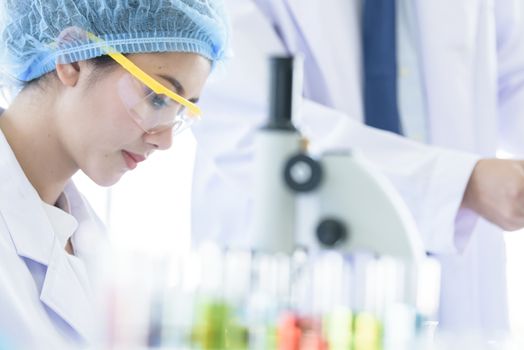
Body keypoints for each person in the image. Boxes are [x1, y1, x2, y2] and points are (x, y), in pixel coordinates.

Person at [191, 0, 524, 336]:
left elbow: (513, 73)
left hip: (450, 272)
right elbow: (248, 120)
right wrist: (459, 184)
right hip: (298, 270)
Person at [0, 0, 229, 348]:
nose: (165, 140)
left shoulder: (90, 243)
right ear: (73, 59)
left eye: (180, 112)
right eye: (157, 98)